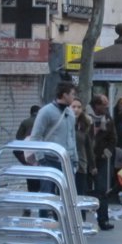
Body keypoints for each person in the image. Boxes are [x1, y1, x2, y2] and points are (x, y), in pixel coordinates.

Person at [28, 81, 78, 213]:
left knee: (67, 196)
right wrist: (41, 157)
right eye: (72, 94)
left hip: (67, 160)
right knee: (47, 194)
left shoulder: (70, 113)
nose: (74, 97)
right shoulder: (46, 112)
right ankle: (44, 222)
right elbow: (36, 136)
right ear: (64, 95)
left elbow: (72, 136)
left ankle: (63, 224)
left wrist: (75, 159)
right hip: (49, 160)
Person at [87, 94, 117, 230]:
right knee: (82, 190)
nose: (106, 107)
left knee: (102, 189)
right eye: (104, 104)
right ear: (96, 106)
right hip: (86, 159)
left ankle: (103, 220)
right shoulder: (84, 117)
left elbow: (113, 137)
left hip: (102, 158)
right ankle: (80, 220)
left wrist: (108, 150)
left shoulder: (108, 119)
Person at [70, 98, 98, 224]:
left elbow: (89, 146)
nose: (76, 109)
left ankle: (80, 220)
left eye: (79, 107)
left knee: (80, 194)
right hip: (66, 165)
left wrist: (92, 165)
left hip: (81, 165)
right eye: (73, 106)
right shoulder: (63, 122)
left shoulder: (85, 125)